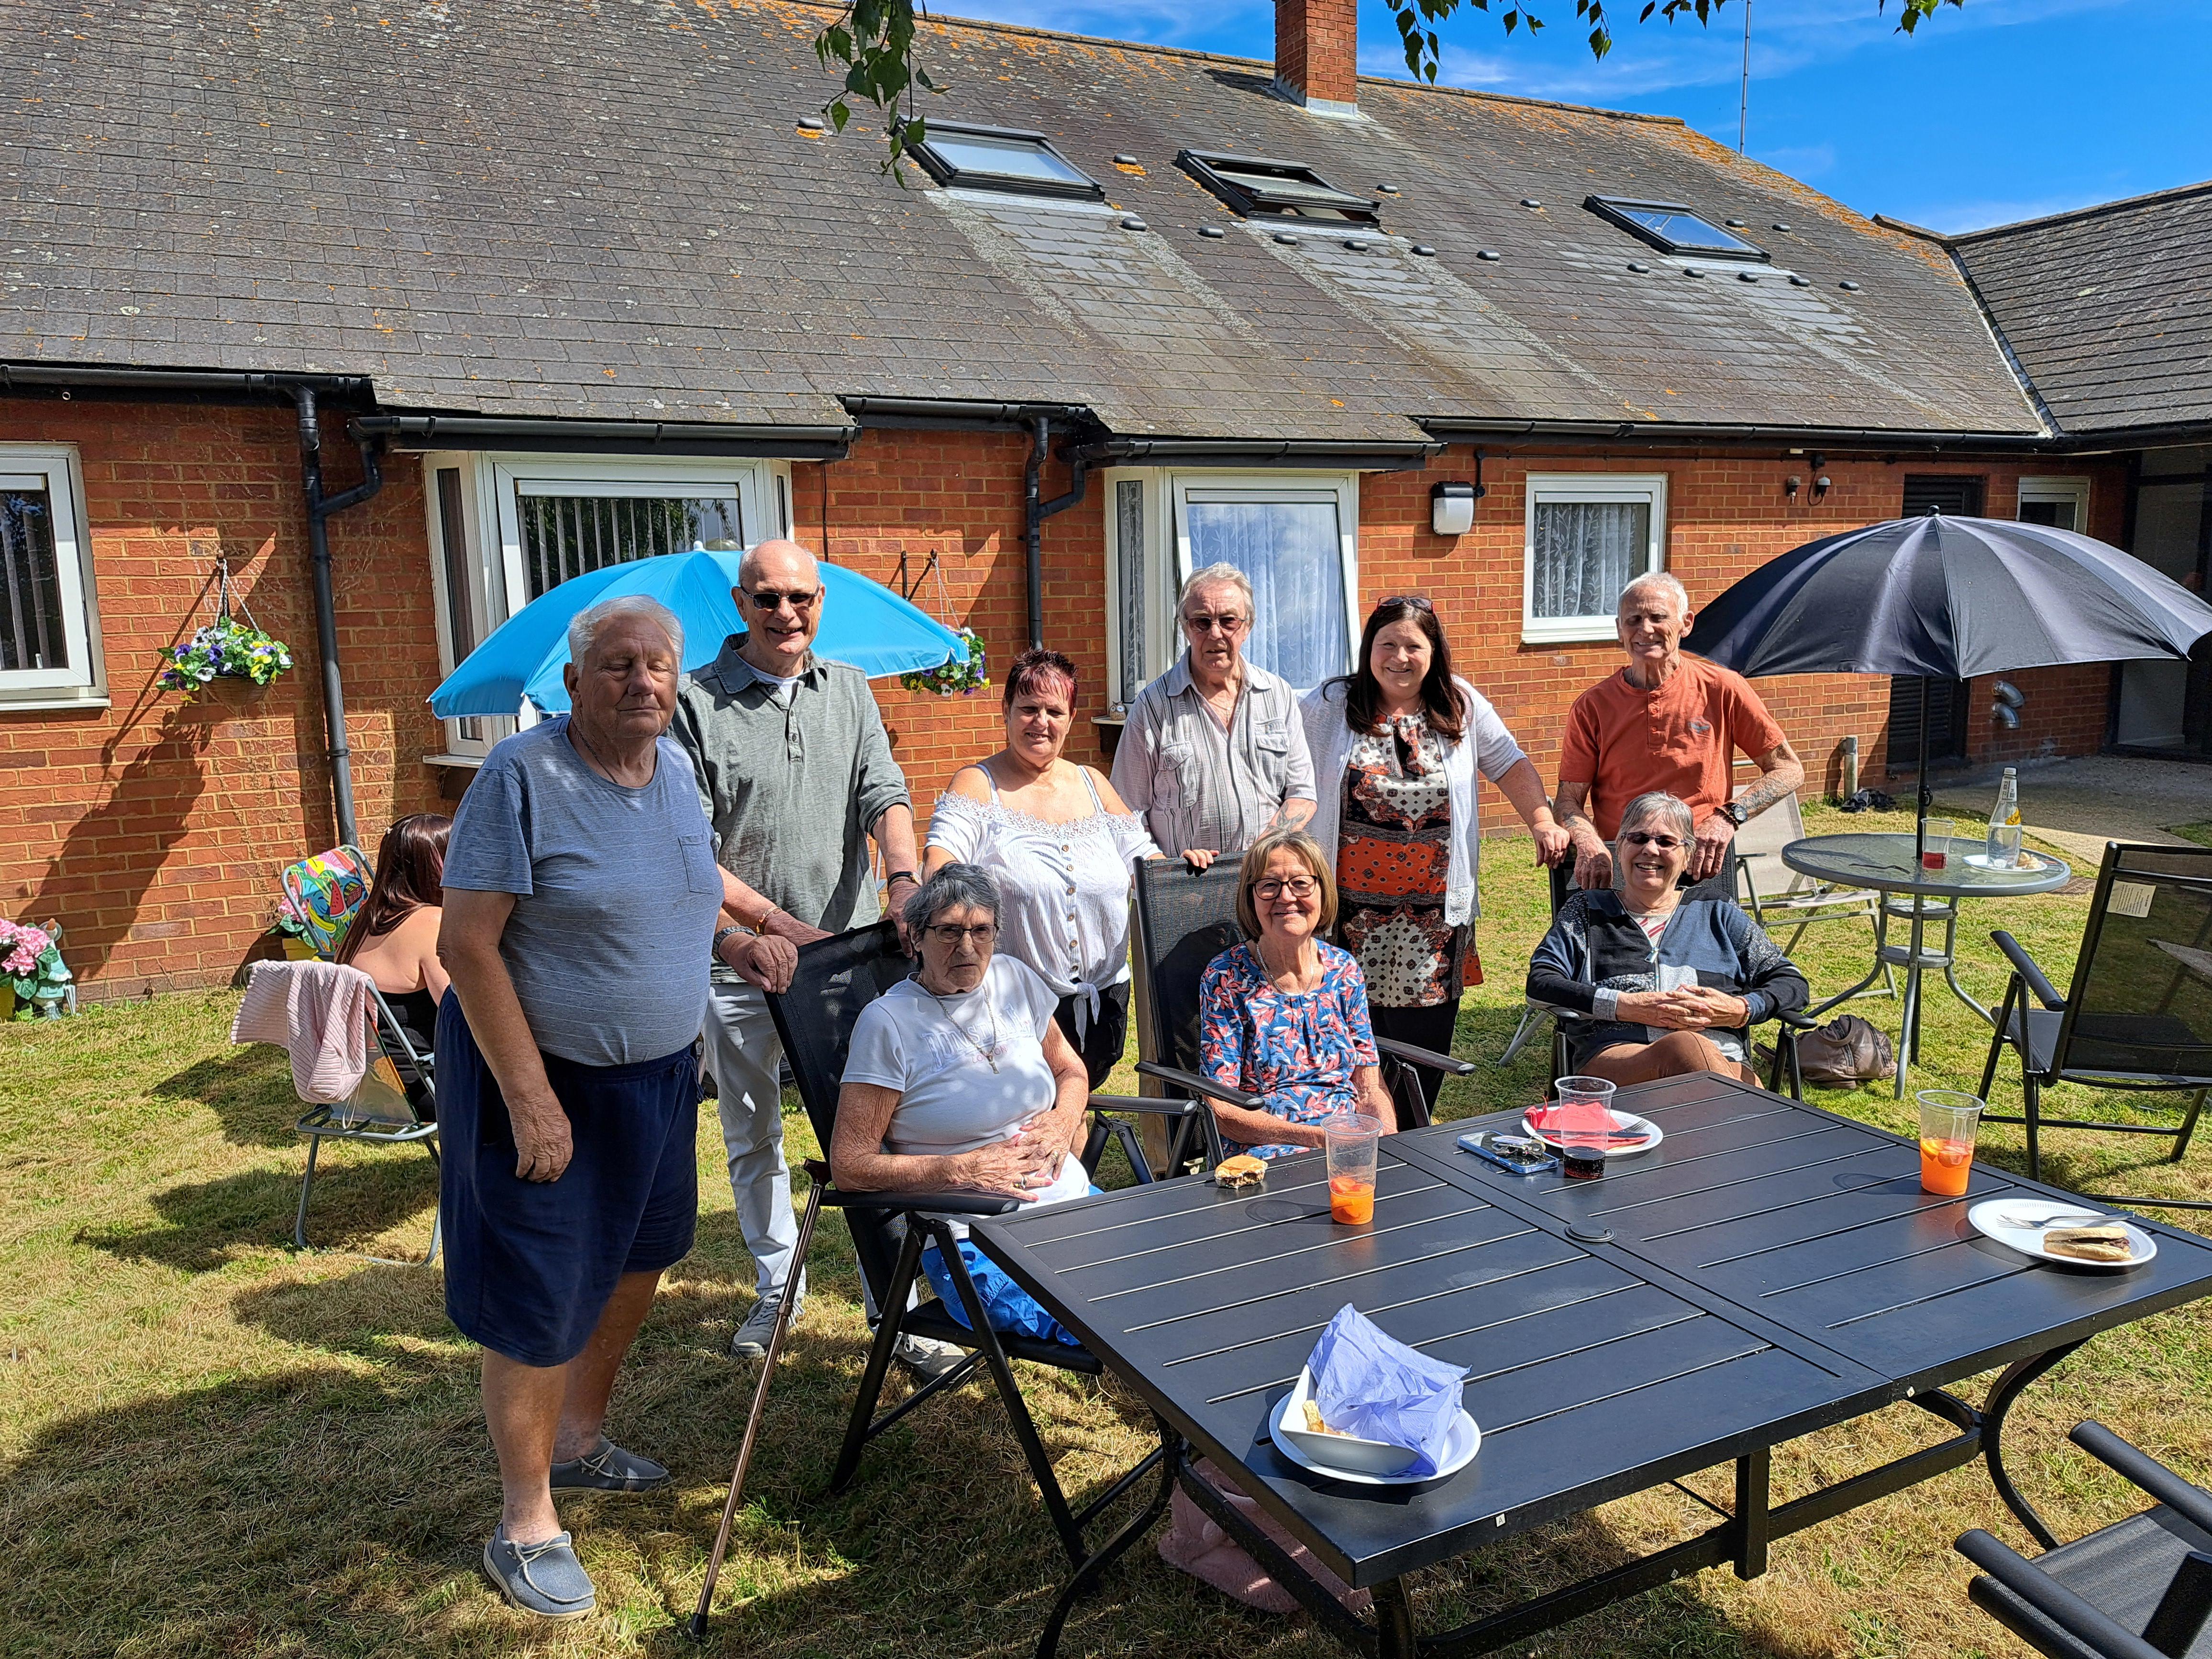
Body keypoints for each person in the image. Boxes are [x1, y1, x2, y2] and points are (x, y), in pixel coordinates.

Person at [435, 596, 725, 1622]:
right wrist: (529, 1101)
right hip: (546, 1081)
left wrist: (744, 938)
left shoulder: (677, 769)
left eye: (657, 664)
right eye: (616, 664)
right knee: (539, 1292)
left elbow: (688, 885)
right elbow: (465, 945)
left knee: (640, 1259)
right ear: (572, 681)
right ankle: (525, 1520)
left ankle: (580, 1438)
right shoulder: (522, 777)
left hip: (656, 1078)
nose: (641, 681)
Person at [668, 537, 924, 1364]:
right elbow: (683, 848)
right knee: (752, 1131)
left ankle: (902, 1296)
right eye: (768, 598)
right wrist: (775, 927)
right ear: (740, 605)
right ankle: (778, 1286)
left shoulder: (847, 689)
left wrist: (903, 879)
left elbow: (885, 795)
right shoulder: (693, 702)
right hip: (736, 957)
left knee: (875, 1129)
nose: (787, 613)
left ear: (820, 602)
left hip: (845, 958)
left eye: (801, 598)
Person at [1301, 597, 1569, 1107]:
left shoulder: (1459, 704)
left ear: (1433, 653)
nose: (1399, 658)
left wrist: (1540, 820)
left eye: (1412, 646)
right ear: (1368, 649)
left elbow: (1510, 763)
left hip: (1434, 913)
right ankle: (1354, 1131)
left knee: (1423, 1034)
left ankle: (1411, 1132)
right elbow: (1282, 759)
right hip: (1347, 909)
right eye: (1387, 645)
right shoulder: (1332, 705)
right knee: (1346, 1027)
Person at [832, 863, 1093, 1347]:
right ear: (915, 937)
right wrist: (963, 1170)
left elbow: (1071, 1072)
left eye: (981, 931)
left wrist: (1062, 1122)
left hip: (1074, 1207)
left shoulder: (1014, 979)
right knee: (1106, 1324)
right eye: (949, 931)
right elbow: (849, 1166)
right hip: (975, 1244)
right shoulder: (888, 1023)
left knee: (1168, 1283)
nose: (968, 948)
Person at [924, 648, 1161, 1089]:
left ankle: (1074, 1158)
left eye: (1054, 710)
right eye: (1029, 709)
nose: (1041, 721)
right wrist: (954, 904)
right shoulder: (978, 784)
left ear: (1071, 717)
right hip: (1014, 997)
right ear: (1006, 712)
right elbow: (942, 857)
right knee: (1034, 1105)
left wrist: (1182, 871)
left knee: (1078, 1097)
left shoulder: (1093, 783)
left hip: (1105, 994)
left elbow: (1144, 861)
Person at [1526, 791, 1809, 1086]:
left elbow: (1792, 983)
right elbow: (1541, 983)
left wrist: (1740, 1010)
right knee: (1683, 1047)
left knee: (1696, 1058)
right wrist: (1626, 1006)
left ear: (1688, 855)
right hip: (1619, 1060)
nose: (1650, 850)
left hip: (1726, 1060)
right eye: (1638, 839)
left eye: (1666, 841)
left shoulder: (1717, 912)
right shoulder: (1589, 910)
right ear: (1620, 847)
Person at [1555, 572, 1804, 892]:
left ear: (1686, 623)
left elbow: (1788, 769)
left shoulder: (1722, 688)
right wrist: (1589, 841)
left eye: (1658, 617)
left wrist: (1727, 819)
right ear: (1619, 629)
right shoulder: (1593, 706)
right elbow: (1567, 800)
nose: (1645, 629)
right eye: (1633, 619)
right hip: (1624, 865)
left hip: (1700, 860)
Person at [1196, 830, 1397, 1158]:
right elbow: (1224, 1111)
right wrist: (1322, 1140)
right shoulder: (1227, 977)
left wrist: (1388, 1143)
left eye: (1301, 883)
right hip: (1268, 1151)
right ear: (1252, 898)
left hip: (1350, 1144)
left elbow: (1369, 1086)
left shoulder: (1343, 969)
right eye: (1269, 885)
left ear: (1322, 892)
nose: (1286, 898)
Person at [1110, 563, 1317, 871]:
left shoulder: (1278, 695)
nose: (1215, 633)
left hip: (1266, 882)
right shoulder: (1153, 706)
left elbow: (1302, 794)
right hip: (1190, 888)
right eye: (1202, 622)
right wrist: (1163, 870)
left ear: (1248, 626)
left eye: (1228, 621)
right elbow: (1124, 813)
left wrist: (1266, 849)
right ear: (1185, 628)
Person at [334, 811, 452, 1062]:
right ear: (433, 867)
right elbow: (462, 1015)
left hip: (371, 1075)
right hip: (425, 1081)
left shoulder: (365, 919)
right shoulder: (432, 922)